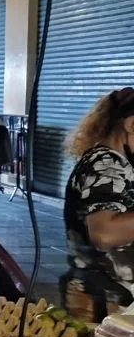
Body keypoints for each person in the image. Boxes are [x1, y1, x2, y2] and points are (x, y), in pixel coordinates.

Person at [64, 88, 134, 315]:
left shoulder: (118, 163)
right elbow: (105, 233)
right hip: (104, 305)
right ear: (131, 125)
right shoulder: (106, 163)